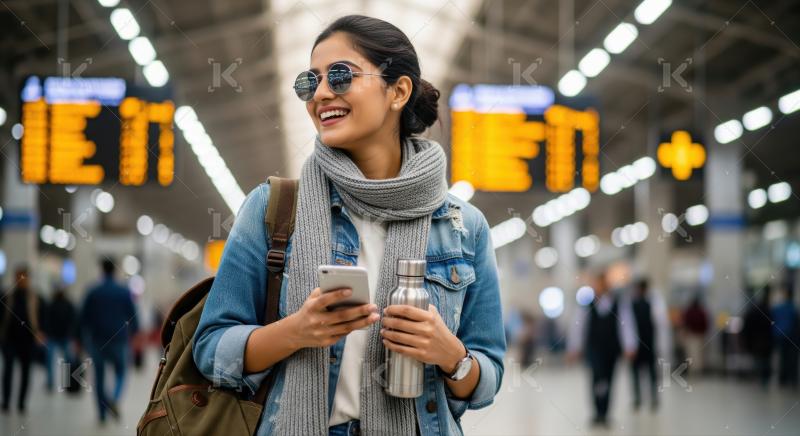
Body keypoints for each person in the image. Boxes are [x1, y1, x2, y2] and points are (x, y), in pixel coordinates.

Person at [193, 15, 506, 436]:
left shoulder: (464, 226)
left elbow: (487, 379)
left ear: (398, 91)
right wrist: (295, 332)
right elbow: (211, 349)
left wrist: (452, 356)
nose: (321, 94)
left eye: (340, 76)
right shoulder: (274, 209)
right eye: (310, 82)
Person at [567, 271, 637, 427]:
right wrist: (574, 347)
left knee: (609, 379)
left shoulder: (619, 304)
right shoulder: (586, 305)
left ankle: (605, 413)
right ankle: (597, 411)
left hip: (612, 349)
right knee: (597, 378)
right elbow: (578, 327)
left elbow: (626, 326)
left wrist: (630, 346)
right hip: (594, 349)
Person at [79, 258, 139, 423]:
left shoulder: (93, 291)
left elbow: (83, 317)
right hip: (119, 340)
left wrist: (79, 339)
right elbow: (133, 315)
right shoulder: (123, 291)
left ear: (102, 271)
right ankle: (114, 398)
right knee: (121, 372)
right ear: (115, 271)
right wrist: (135, 333)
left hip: (97, 340)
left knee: (99, 377)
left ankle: (102, 414)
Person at [0, 266, 44, 413]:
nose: (21, 280)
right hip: (9, 339)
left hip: (27, 340)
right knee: (8, 371)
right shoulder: (7, 296)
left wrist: (40, 333)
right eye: (19, 277)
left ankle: (21, 402)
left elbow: (42, 317)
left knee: (26, 372)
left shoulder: (34, 297)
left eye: (24, 277)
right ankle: (6, 402)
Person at [43, 287, 78, 392]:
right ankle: (65, 383)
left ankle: (52, 383)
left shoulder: (52, 304)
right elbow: (73, 320)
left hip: (57, 336)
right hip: (61, 336)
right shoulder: (67, 305)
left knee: (51, 361)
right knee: (67, 361)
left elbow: (46, 320)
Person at [742, 286, 773, 388]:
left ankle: (759, 376)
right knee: (765, 358)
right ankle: (764, 378)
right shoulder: (768, 311)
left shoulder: (753, 311)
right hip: (766, 338)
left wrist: (746, 340)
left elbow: (747, 326)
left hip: (757, 338)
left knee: (759, 358)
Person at [771, 287, 799, 388]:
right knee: (792, 359)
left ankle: (782, 379)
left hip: (780, 336)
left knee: (782, 358)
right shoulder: (793, 309)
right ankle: (792, 379)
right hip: (792, 337)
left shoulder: (778, 308)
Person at [682, 294, 709, 375]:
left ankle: (693, 371)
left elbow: (685, 323)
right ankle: (698, 371)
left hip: (691, 335)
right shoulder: (701, 312)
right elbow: (705, 324)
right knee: (698, 355)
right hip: (698, 335)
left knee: (691, 354)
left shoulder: (689, 311)